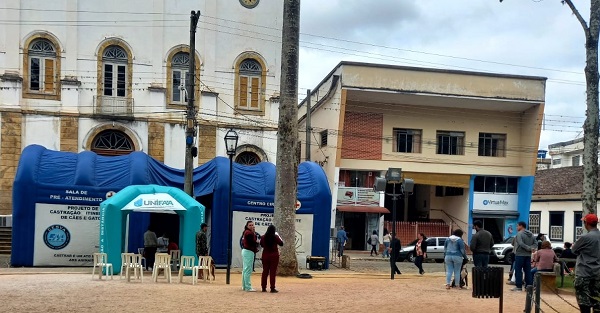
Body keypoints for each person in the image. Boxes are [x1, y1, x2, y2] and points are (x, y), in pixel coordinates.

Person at [572, 214, 600, 313]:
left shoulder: (585, 237)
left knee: (583, 301)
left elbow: (574, 250)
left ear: (586, 223)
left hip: (584, 272)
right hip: (597, 273)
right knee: (597, 300)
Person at [511, 221, 537, 292]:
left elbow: (520, 243)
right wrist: (531, 248)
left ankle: (518, 286)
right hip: (528, 255)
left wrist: (528, 248)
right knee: (528, 271)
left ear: (521, 226)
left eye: (517, 226)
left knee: (518, 270)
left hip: (519, 254)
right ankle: (528, 286)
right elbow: (535, 243)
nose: (516, 228)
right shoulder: (531, 234)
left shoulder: (519, 234)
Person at [260, 225, 284, 293]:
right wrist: (278, 236)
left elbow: (261, 245)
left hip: (265, 255)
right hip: (274, 255)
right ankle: (272, 288)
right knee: (272, 272)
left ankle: (263, 287)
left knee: (265, 271)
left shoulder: (263, 237)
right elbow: (281, 243)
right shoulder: (275, 237)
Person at [241, 221, 259, 292]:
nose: (251, 226)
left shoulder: (246, 232)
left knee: (245, 270)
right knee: (248, 270)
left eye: (252, 225)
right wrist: (256, 242)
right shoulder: (249, 233)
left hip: (246, 251)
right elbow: (252, 242)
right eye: (250, 225)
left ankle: (244, 285)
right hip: (249, 251)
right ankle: (248, 287)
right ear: (247, 226)